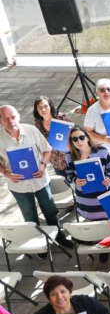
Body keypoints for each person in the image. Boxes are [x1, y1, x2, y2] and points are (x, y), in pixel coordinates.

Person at [0, 105, 74, 249]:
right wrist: (6, 173)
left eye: (13, 117)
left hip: (40, 181)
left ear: (19, 116)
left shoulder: (31, 130)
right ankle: (38, 244)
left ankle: (59, 237)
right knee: (30, 217)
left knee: (51, 212)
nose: (11, 121)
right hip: (18, 186)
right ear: (0, 121)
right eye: (6, 119)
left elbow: (47, 150)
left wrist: (43, 165)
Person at [64, 126, 110, 225]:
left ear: (87, 137)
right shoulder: (69, 156)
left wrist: (109, 177)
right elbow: (69, 174)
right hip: (85, 200)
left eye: (82, 137)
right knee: (92, 226)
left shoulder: (102, 151)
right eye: (74, 139)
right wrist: (76, 180)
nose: (79, 141)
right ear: (71, 142)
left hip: (104, 195)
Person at [32, 96, 73, 176]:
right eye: (39, 107)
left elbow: (74, 133)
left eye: (45, 106)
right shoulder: (38, 123)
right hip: (56, 161)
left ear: (50, 106)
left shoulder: (61, 118)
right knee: (65, 184)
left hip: (70, 158)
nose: (43, 110)